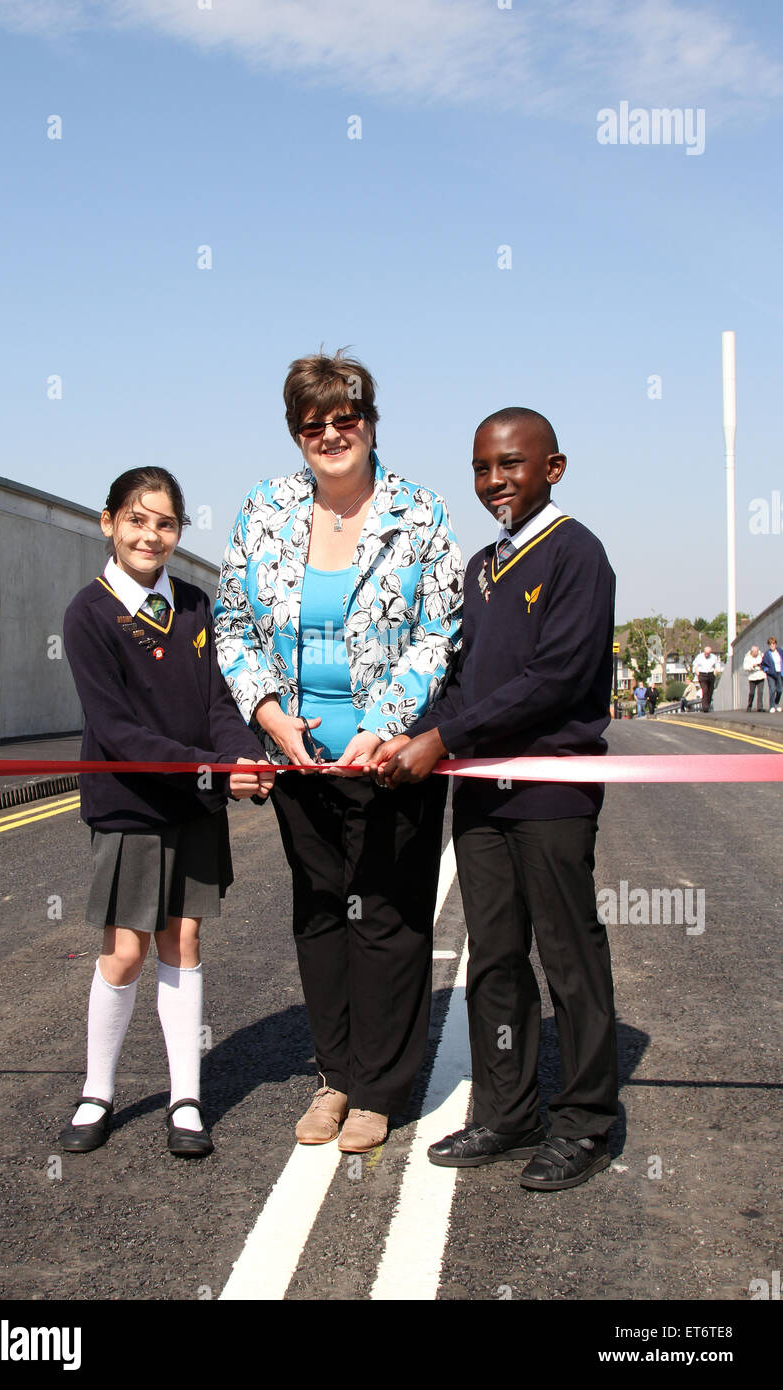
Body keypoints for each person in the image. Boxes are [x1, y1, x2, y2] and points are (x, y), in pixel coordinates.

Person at [213, 350, 463, 1153]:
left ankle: (380, 1092)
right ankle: (337, 1076)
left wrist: (385, 722)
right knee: (321, 915)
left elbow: (439, 633)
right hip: (299, 759)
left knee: (386, 919)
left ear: (370, 420)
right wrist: (269, 715)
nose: (330, 433)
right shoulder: (262, 511)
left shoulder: (419, 514)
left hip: (388, 758)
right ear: (296, 432)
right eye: (311, 422)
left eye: (344, 417)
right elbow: (231, 626)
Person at [372, 406, 618, 1192]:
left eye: (510, 464)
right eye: (481, 467)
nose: (494, 481)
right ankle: (508, 1110)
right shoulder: (479, 568)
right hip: (479, 795)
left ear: (553, 467)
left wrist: (442, 741)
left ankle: (585, 1121)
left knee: (568, 957)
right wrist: (407, 734)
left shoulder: (579, 555)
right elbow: (459, 684)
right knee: (494, 959)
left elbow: (554, 680)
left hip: (549, 791)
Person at [60, 467, 273, 1158]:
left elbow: (219, 705)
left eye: (164, 523)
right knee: (124, 953)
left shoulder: (194, 605)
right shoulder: (87, 614)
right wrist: (211, 769)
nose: (150, 535)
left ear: (178, 532)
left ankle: (186, 1095)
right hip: (131, 803)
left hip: (193, 802)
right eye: (136, 519)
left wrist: (240, 754)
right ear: (108, 523)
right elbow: (116, 730)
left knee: (182, 942)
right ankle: (98, 1091)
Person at [692, 645, 719, 712]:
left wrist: (715, 672)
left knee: (710, 691)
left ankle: (708, 704)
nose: (706, 655)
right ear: (704, 652)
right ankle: (705, 706)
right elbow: (695, 665)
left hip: (710, 674)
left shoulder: (713, 657)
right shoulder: (699, 657)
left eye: (708, 654)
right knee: (705, 690)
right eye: (705, 653)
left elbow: (717, 665)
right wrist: (698, 673)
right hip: (702, 674)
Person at [760, 637, 783, 712]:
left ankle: (776, 703)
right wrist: (766, 670)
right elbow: (762, 664)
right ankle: (772, 706)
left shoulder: (780, 651)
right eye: (770, 644)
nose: (772, 645)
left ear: (775, 644)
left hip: (779, 672)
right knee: (772, 689)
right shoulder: (767, 654)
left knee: (779, 690)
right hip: (771, 674)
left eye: (773, 644)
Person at [743, 645, 765, 712]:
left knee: (760, 692)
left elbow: (765, 663)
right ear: (752, 652)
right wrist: (752, 666)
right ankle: (749, 705)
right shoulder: (747, 657)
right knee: (752, 693)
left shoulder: (761, 655)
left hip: (760, 675)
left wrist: (761, 666)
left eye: (757, 652)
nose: (756, 653)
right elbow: (745, 667)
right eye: (755, 652)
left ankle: (760, 707)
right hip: (752, 677)